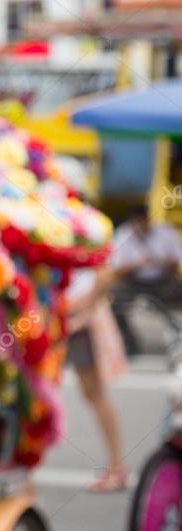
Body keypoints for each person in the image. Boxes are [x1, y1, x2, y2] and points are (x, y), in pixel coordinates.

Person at [64, 265, 128, 491]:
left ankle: (117, 468)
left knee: (95, 393)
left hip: (81, 321)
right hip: (72, 315)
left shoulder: (84, 234)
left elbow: (103, 273)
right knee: (92, 394)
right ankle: (116, 468)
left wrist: (84, 312)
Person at [109, 206, 182, 355]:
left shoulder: (165, 232)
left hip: (162, 280)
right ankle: (129, 342)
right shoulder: (124, 234)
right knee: (114, 299)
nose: (139, 226)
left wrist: (166, 263)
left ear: (148, 220)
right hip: (133, 281)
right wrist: (136, 265)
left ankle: (177, 337)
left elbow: (177, 260)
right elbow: (115, 268)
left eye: (142, 221)